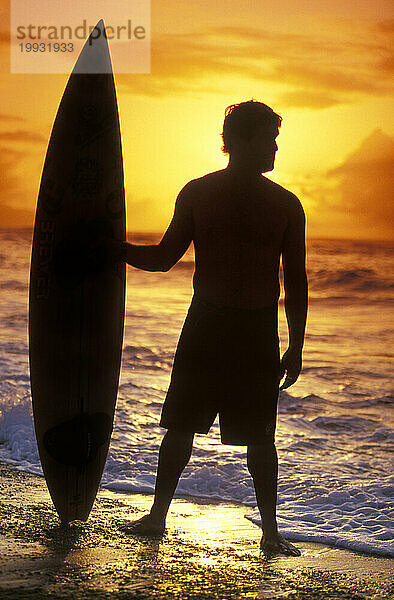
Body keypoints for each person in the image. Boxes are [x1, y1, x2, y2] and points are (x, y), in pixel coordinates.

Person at [116, 100, 308, 557]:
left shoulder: (286, 205)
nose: (275, 147)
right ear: (238, 140)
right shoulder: (198, 193)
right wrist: (112, 248)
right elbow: (164, 258)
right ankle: (157, 517)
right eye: (267, 137)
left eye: (275, 138)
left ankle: (271, 531)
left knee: (262, 438)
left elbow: (296, 280)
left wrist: (297, 346)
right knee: (179, 427)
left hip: (257, 334)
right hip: (205, 325)